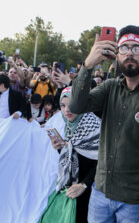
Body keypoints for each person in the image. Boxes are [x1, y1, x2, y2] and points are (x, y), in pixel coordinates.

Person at [69, 25, 139, 223]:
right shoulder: (109, 88)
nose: (129, 53)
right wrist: (88, 66)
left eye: (136, 48)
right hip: (100, 195)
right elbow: (75, 105)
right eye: (124, 47)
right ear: (117, 54)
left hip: (136, 202)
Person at [39, 87, 100, 223]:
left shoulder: (94, 126)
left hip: (92, 192)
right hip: (72, 190)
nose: (67, 109)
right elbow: (77, 156)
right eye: (63, 105)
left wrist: (84, 185)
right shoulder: (70, 125)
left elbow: (103, 162)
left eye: (71, 104)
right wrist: (60, 148)